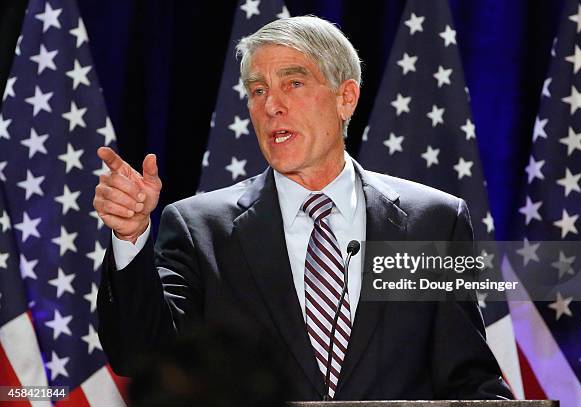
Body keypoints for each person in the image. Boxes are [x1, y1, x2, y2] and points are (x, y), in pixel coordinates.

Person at [94, 16, 513, 401]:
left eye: (293, 84)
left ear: (346, 97)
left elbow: (468, 378)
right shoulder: (201, 228)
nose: (271, 105)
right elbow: (141, 357)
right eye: (258, 90)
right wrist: (130, 236)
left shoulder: (431, 222)